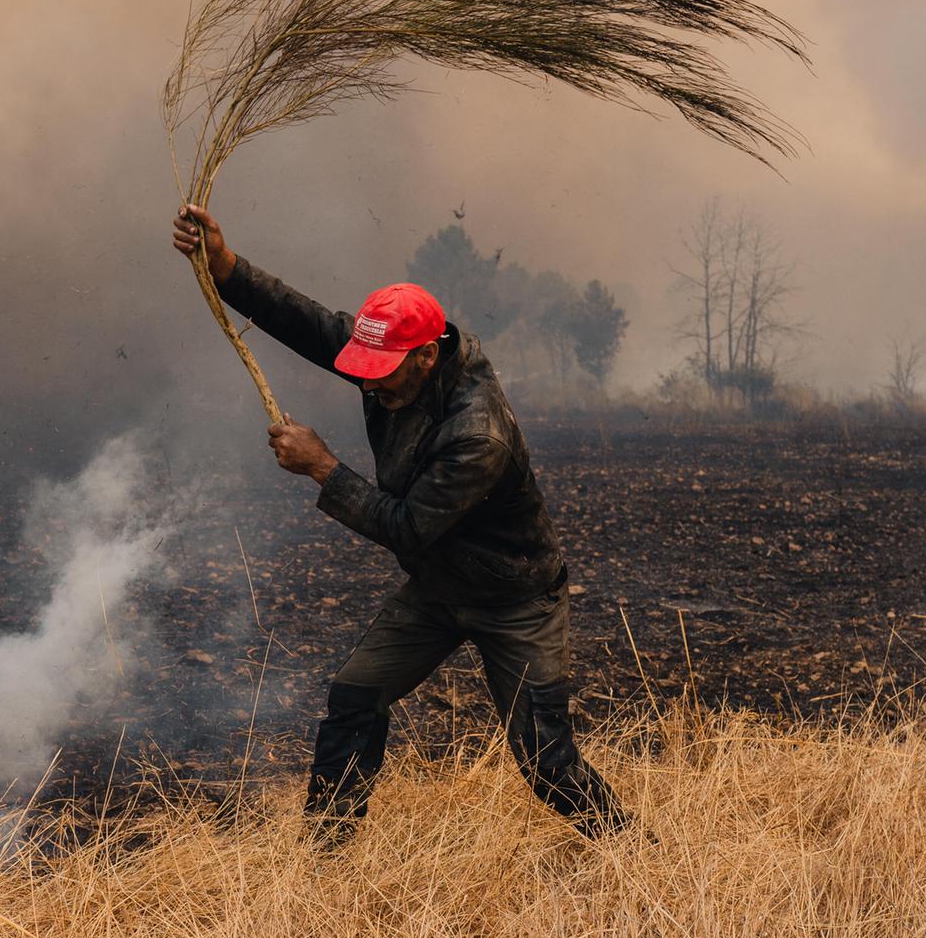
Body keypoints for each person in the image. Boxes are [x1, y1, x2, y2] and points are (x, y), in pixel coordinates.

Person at [173, 205, 632, 843]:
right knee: (354, 698)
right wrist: (224, 265)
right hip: (439, 586)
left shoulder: (477, 433)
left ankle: (631, 851)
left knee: (546, 762)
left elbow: (409, 526)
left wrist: (322, 467)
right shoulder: (388, 356)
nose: (368, 387)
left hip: (515, 601)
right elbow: (305, 322)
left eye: (381, 377)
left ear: (426, 357)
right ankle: (326, 856)